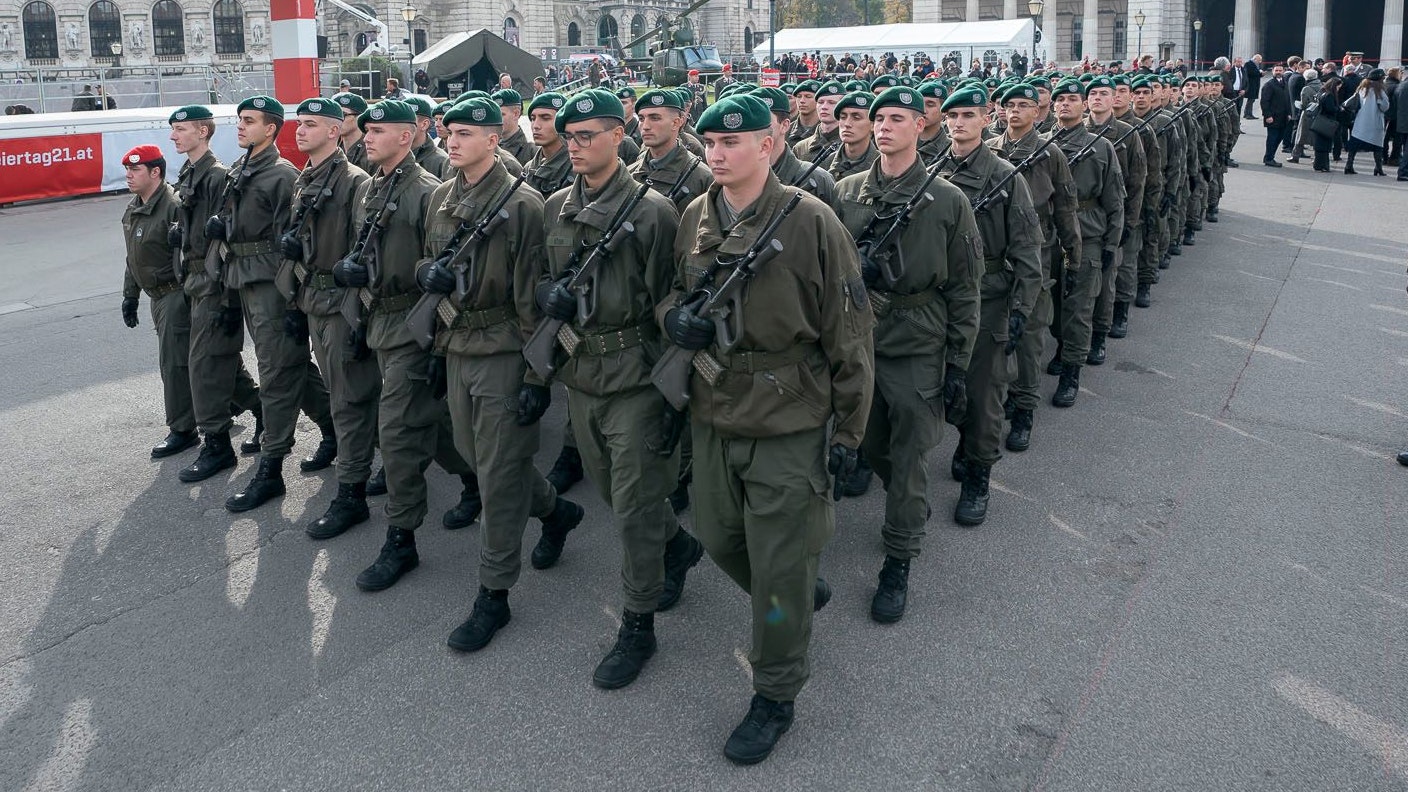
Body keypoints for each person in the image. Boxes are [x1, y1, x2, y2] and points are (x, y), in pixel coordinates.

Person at [657, 92, 872, 764]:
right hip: (715, 411)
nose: (716, 154)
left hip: (788, 414)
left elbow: (850, 334)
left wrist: (848, 433)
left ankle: (776, 691)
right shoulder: (695, 216)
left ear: (768, 146)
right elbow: (670, 293)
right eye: (711, 144)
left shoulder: (811, 222)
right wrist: (675, 320)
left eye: (732, 143)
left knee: (778, 566)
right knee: (720, 537)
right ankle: (797, 597)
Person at [536, 89, 701, 689]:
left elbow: (671, 301)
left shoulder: (654, 211)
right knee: (610, 490)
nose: (574, 146)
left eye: (586, 136)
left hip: (634, 376)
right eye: (568, 136)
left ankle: (638, 623)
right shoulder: (554, 206)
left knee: (632, 506)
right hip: (581, 375)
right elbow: (544, 290)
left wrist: (669, 394)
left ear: (617, 136)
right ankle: (678, 547)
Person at [415, 97, 586, 651]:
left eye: (465, 133)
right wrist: (438, 346)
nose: (453, 141)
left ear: (495, 139)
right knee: (479, 456)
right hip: (458, 345)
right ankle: (557, 511)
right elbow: (429, 266)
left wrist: (537, 379)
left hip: (505, 351)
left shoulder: (524, 206)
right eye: (449, 132)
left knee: (495, 475)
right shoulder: (443, 195)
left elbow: (534, 304)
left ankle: (494, 593)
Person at [832, 86, 978, 620]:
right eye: (880, 118)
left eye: (899, 117)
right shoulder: (847, 193)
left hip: (918, 340)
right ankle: (906, 504)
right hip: (861, 339)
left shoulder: (948, 201)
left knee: (910, 454)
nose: (886, 125)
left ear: (920, 126)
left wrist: (959, 362)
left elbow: (965, 287)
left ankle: (899, 559)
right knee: (872, 449)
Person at [332, 99, 480, 592]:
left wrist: (438, 349)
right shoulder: (371, 187)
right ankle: (507, 489)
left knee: (395, 432)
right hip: (377, 319)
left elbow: (443, 277)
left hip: (413, 327)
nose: (367, 137)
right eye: (366, 130)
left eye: (378, 130)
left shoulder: (428, 193)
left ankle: (402, 538)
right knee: (432, 427)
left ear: (406, 136)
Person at [213, 96, 338, 513]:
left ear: (271, 129)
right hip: (244, 279)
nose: (241, 127)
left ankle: (272, 468)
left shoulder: (282, 174)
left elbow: (295, 242)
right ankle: (334, 427)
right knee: (291, 364)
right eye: (239, 121)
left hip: (271, 284)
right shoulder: (241, 168)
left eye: (249, 121)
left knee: (277, 371)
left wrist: (290, 300)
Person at [933, 83, 1042, 526]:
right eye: (952, 116)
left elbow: (1028, 250)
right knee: (943, 386)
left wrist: (1021, 311)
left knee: (985, 393)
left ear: (986, 118)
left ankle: (979, 477)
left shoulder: (1005, 176)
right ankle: (961, 440)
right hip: (942, 299)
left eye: (968, 115)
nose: (959, 123)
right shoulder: (932, 169)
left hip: (989, 298)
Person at [283, 97, 378, 540]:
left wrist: (359, 317)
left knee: (348, 398)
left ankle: (352, 494)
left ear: (335, 131)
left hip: (340, 305)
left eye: (311, 124)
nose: (301, 131)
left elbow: (364, 256)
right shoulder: (306, 178)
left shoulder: (354, 181)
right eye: (299, 124)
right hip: (313, 299)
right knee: (346, 395)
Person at [167, 105, 264, 482]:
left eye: (182, 129)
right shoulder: (190, 172)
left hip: (212, 283)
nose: (174, 135)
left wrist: (226, 297)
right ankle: (261, 410)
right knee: (220, 362)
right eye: (173, 129)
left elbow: (227, 239)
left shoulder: (217, 176)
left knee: (204, 365)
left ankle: (218, 445)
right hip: (192, 280)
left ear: (203, 132)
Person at [990, 82, 1081, 453]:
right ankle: (1003, 397)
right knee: (996, 336)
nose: (1014, 111)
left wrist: (1073, 255)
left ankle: (1025, 408)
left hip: (1037, 253)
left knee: (1029, 337)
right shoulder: (990, 150)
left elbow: (1065, 206)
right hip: (995, 253)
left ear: (1036, 111)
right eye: (1008, 105)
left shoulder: (1049, 152)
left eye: (1023, 105)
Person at [1048, 78, 1124, 407]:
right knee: (1051, 306)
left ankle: (1071, 372)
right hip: (1047, 235)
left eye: (1072, 99)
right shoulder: (1040, 144)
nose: (1065, 103)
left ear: (1083, 106)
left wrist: (1111, 244)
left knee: (1078, 309)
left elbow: (1115, 198)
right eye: (1059, 99)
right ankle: (1063, 346)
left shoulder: (1100, 147)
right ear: (1052, 107)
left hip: (1086, 234)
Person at [119, 145, 196, 459]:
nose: (128, 175)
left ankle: (183, 429)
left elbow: (192, 255)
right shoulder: (134, 207)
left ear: (156, 172)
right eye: (127, 169)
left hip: (176, 294)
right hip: (156, 296)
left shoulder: (174, 206)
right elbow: (133, 258)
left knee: (175, 365)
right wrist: (130, 295)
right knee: (203, 361)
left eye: (135, 170)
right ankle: (239, 406)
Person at [629, 88, 713, 214]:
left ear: (676, 123)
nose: (645, 126)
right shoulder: (630, 172)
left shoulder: (701, 177)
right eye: (641, 119)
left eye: (655, 118)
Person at [1344, 69, 1391, 176]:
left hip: (1360, 121)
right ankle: (1378, 168)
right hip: (1374, 122)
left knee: (1354, 145)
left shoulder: (1362, 88)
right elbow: (1384, 107)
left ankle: (1349, 165)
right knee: (1377, 146)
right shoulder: (1379, 91)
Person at [829, 91, 879, 181]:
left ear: (873, 125)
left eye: (856, 118)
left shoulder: (882, 166)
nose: (847, 124)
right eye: (843, 117)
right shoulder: (824, 162)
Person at [406, 97, 451, 179]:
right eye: (436, 119)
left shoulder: (442, 161)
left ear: (424, 124)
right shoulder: (391, 157)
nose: (437, 124)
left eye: (407, 121)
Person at [491, 88, 535, 165]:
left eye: (501, 115)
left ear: (516, 114)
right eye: (493, 115)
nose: (495, 120)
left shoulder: (531, 151)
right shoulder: (491, 146)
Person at [1260, 65, 1292, 167]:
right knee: (1272, 138)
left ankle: (1271, 156)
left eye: (1280, 70)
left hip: (1283, 116)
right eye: (1276, 70)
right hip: (1272, 117)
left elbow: (1287, 100)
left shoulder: (1285, 83)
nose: (1278, 72)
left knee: (1279, 137)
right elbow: (1264, 101)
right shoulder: (1269, 85)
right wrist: (1267, 115)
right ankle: (1268, 158)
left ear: (1284, 71)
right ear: (1273, 71)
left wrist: (1289, 113)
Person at [1290, 67, 1322, 164]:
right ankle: (1317, 158)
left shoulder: (1306, 89)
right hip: (1318, 114)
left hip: (1307, 115)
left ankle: (1295, 156)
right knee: (1316, 138)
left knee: (1301, 136)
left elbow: (1304, 104)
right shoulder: (1322, 86)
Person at [333, 91, 370, 172]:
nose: (337, 120)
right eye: (334, 115)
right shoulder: (331, 149)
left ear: (359, 118)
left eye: (343, 115)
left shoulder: (372, 152)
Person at [1312, 75, 1342, 173]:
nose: (1339, 89)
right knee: (1324, 145)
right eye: (1338, 87)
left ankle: (1319, 165)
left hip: (1321, 121)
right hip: (1327, 122)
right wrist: (1338, 108)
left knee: (1320, 145)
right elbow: (1331, 109)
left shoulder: (1323, 93)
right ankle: (1323, 165)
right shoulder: (1329, 95)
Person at [1242, 55, 1263, 119]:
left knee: (1252, 100)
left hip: (1254, 85)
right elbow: (1249, 73)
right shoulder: (1248, 64)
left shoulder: (1254, 65)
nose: (1260, 62)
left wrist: (1260, 74)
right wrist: (1259, 73)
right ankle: (1248, 114)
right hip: (1251, 85)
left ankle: (1248, 113)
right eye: (1259, 60)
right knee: (1250, 100)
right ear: (1255, 59)